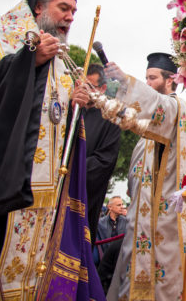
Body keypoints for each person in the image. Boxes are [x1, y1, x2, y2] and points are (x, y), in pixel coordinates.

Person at [0, 0, 103, 299]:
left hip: (47, 197)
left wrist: (75, 104)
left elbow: (55, 122)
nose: (70, 17)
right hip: (2, 187)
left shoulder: (61, 61)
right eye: (63, 8)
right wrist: (26, 61)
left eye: (74, 11)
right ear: (38, 7)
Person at [103, 52, 186, 300]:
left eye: (152, 78)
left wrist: (125, 81)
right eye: (146, 78)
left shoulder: (177, 109)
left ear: (170, 80)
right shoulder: (150, 128)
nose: (148, 83)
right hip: (140, 215)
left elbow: (155, 105)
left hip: (163, 220)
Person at [84, 63, 122, 244]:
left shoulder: (110, 119)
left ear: (103, 88)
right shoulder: (71, 109)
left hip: (85, 194)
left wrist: (74, 169)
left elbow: (105, 161)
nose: (84, 91)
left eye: (90, 87)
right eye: (81, 85)